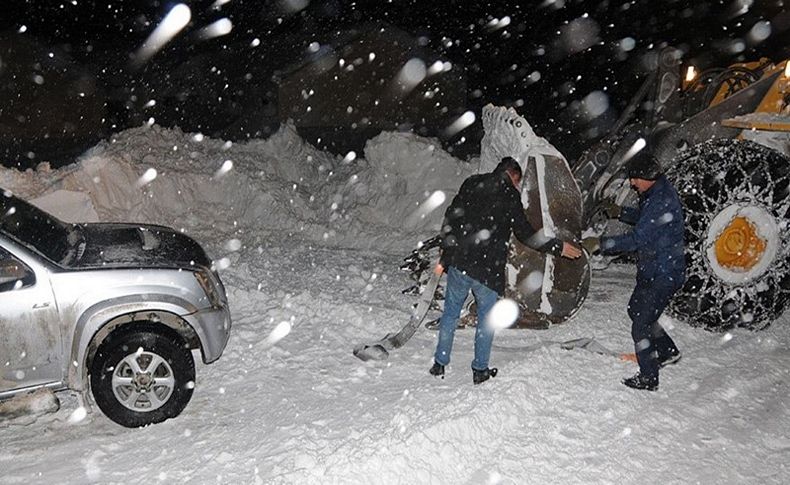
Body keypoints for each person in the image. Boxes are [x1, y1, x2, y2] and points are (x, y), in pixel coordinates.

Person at [430, 156, 582, 384]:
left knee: (450, 314)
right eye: (517, 182)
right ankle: (480, 369)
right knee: (486, 320)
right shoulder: (510, 196)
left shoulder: (472, 183)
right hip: (486, 272)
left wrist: (447, 253)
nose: (518, 187)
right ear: (513, 175)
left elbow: (451, 217)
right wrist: (557, 246)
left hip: (460, 263)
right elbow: (526, 234)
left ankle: (440, 363)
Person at [582, 151, 685, 391]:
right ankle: (668, 351)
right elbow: (648, 220)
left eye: (635, 178)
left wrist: (600, 243)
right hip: (653, 268)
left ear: (648, 176)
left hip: (665, 272)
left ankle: (649, 378)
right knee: (636, 309)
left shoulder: (661, 200)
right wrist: (622, 213)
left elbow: (638, 239)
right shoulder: (654, 193)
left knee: (641, 325)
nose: (632, 182)